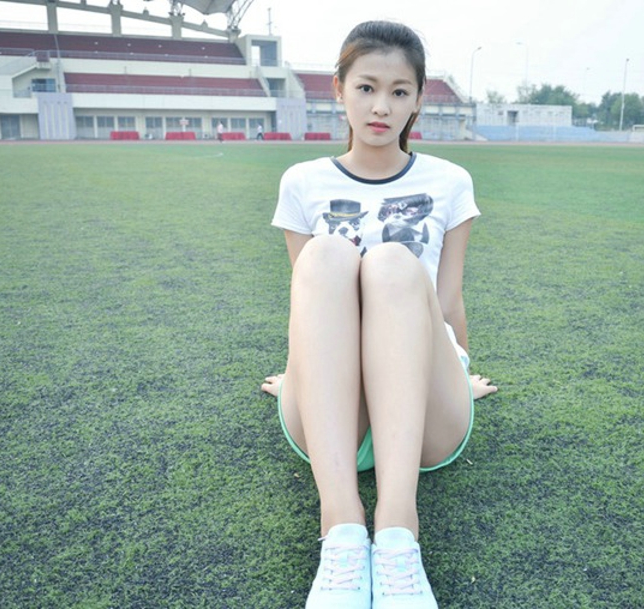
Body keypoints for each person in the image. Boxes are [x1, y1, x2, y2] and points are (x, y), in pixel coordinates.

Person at [261, 20, 497, 609]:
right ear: (338, 89)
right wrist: (295, 377)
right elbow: (309, 303)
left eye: (399, 91)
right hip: (331, 423)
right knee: (325, 256)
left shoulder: (450, 181)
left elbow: (447, 301)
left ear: (418, 100)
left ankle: (397, 536)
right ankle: (341, 532)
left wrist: (458, 372)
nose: (381, 106)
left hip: (425, 422)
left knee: (393, 262)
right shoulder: (302, 182)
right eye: (366, 87)